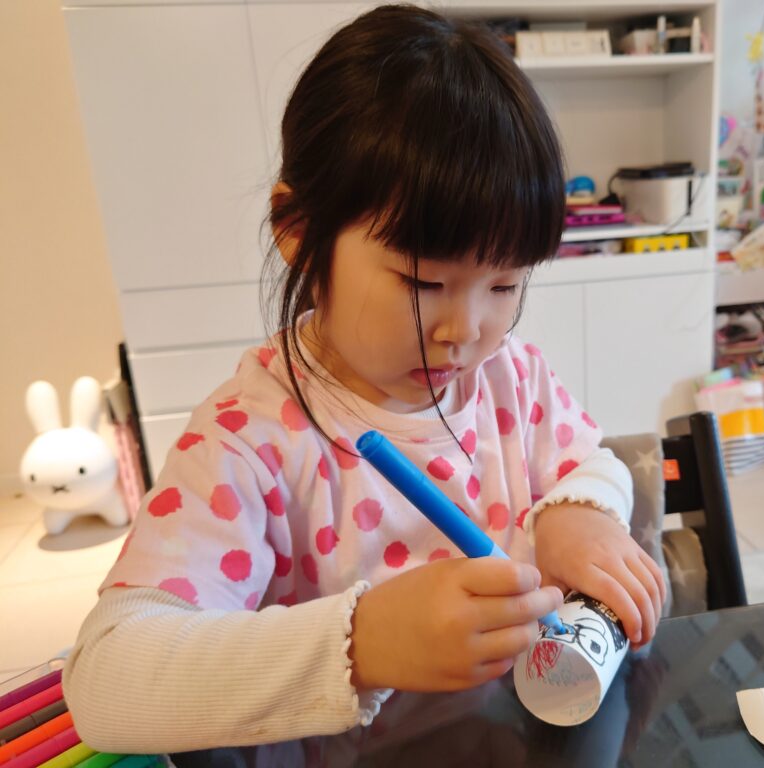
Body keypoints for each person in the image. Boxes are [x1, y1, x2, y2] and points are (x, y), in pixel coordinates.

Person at [65, 4, 665, 753]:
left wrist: (577, 513)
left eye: (505, 285)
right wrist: (359, 644)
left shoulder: (511, 378)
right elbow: (105, 679)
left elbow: (589, 461)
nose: (465, 330)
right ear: (299, 232)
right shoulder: (250, 444)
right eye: (423, 283)